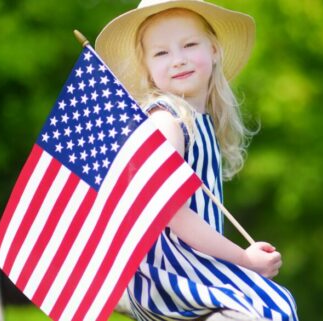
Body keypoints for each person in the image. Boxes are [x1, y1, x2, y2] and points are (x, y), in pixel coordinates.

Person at [96, 1, 298, 320]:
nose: (178, 60)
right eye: (161, 53)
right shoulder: (168, 122)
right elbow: (172, 214)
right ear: (146, 66)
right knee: (272, 307)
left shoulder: (200, 119)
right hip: (167, 273)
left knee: (275, 302)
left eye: (189, 44)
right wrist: (243, 259)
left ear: (215, 49)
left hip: (193, 262)